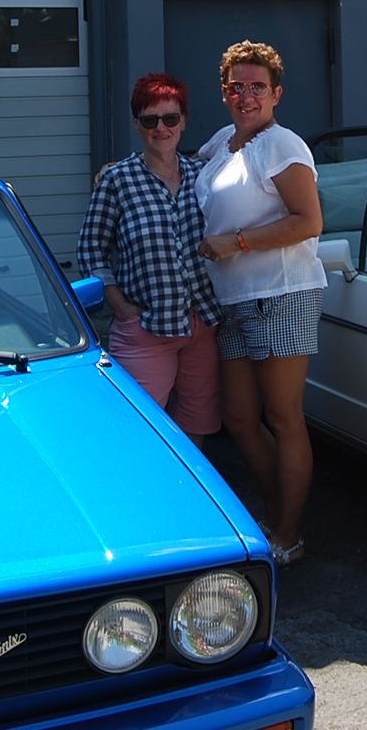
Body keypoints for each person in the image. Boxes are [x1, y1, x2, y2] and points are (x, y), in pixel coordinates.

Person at [194, 40, 324, 566]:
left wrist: (238, 242)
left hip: (281, 293)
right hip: (230, 298)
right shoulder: (222, 142)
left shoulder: (282, 145)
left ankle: (289, 535)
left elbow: (308, 221)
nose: (246, 97)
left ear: (276, 94)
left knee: (282, 417)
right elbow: (178, 166)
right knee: (241, 418)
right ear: (224, 92)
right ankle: (274, 516)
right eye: (236, 87)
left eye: (257, 88)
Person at [76, 73, 223, 444]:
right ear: (137, 124)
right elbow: (91, 248)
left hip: (201, 324)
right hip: (145, 327)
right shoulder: (117, 180)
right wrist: (120, 307)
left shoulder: (203, 175)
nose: (161, 128)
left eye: (170, 118)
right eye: (150, 120)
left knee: (196, 428)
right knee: (138, 431)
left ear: (184, 121)